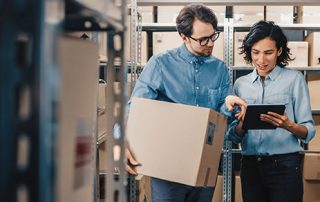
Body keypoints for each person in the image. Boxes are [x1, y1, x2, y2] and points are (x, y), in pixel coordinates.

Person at [126, 3, 246, 202]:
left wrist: (229, 104)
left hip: (204, 164)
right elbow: (136, 108)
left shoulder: (220, 69)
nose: (210, 43)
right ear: (183, 36)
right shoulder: (161, 64)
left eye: (213, 36)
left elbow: (220, 117)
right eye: (202, 39)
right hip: (167, 167)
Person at [226, 21, 316, 202]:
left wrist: (288, 125)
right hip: (250, 167)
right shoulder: (240, 84)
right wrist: (243, 124)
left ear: (280, 51)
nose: (261, 60)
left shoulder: (294, 80)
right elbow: (233, 136)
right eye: (256, 52)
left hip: (285, 166)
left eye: (269, 53)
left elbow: (309, 131)